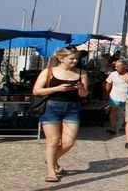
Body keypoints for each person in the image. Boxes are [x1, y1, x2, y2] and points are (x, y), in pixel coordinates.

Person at [33, 47, 88, 182]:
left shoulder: (81, 73)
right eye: (72, 59)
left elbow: (85, 94)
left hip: (73, 107)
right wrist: (57, 88)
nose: (75, 61)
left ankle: (52, 159)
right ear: (61, 59)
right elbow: (36, 91)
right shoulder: (49, 72)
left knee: (69, 142)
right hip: (51, 107)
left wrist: (81, 89)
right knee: (53, 141)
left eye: (76, 59)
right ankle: (51, 171)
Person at [104, 60, 128, 135]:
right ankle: (113, 127)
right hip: (115, 95)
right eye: (115, 66)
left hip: (127, 96)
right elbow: (108, 84)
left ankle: (124, 126)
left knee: (127, 113)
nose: (116, 68)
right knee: (114, 110)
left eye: (118, 66)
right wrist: (106, 93)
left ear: (125, 67)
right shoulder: (113, 74)